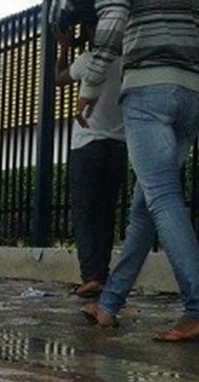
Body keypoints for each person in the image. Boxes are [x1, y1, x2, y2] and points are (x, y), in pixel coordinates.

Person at [79, 0, 199, 342]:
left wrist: (91, 83)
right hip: (194, 93)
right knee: (145, 208)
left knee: (162, 197)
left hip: (147, 88)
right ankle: (109, 305)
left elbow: (113, 17)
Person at [55, 18, 126, 300]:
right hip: (118, 147)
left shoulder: (88, 60)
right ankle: (103, 274)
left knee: (85, 213)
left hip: (87, 146)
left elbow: (58, 78)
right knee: (106, 213)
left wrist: (63, 47)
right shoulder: (127, 63)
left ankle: (91, 276)